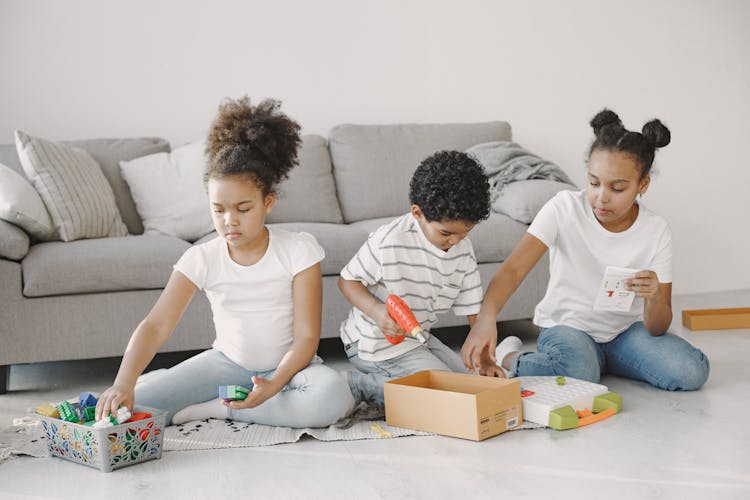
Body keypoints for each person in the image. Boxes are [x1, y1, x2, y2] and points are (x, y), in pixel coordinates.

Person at [95, 97, 355, 427]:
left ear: (268, 202)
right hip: (225, 366)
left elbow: (306, 338)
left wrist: (274, 384)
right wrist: (123, 383)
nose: (229, 220)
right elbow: (156, 325)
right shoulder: (201, 257)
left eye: (243, 209)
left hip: (291, 370)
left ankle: (218, 409)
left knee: (332, 397)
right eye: (218, 210)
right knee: (130, 410)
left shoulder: (299, 250)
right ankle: (191, 391)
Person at [461, 109, 709, 391]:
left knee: (691, 370)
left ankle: (598, 362)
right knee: (580, 370)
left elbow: (657, 327)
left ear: (643, 184)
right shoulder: (564, 207)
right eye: (593, 182)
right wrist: (486, 319)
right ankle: (511, 356)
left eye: (617, 188)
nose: (601, 197)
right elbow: (514, 270)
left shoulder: (656, 231)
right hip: (568, 327)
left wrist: (653, 297)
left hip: (623, 333)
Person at [339, 150, 504, 407]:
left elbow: (475, 311)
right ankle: (356, 387)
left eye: (465, 232)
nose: (455, 241)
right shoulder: (390, 239)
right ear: (418, 213)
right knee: (447, 399)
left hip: (416, 339)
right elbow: (347, 281)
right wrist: (377, 312)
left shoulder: (463, 248)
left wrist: (485, 360)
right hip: (373, 343)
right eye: (446, 233)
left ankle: (402, 383)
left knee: (470, 384)